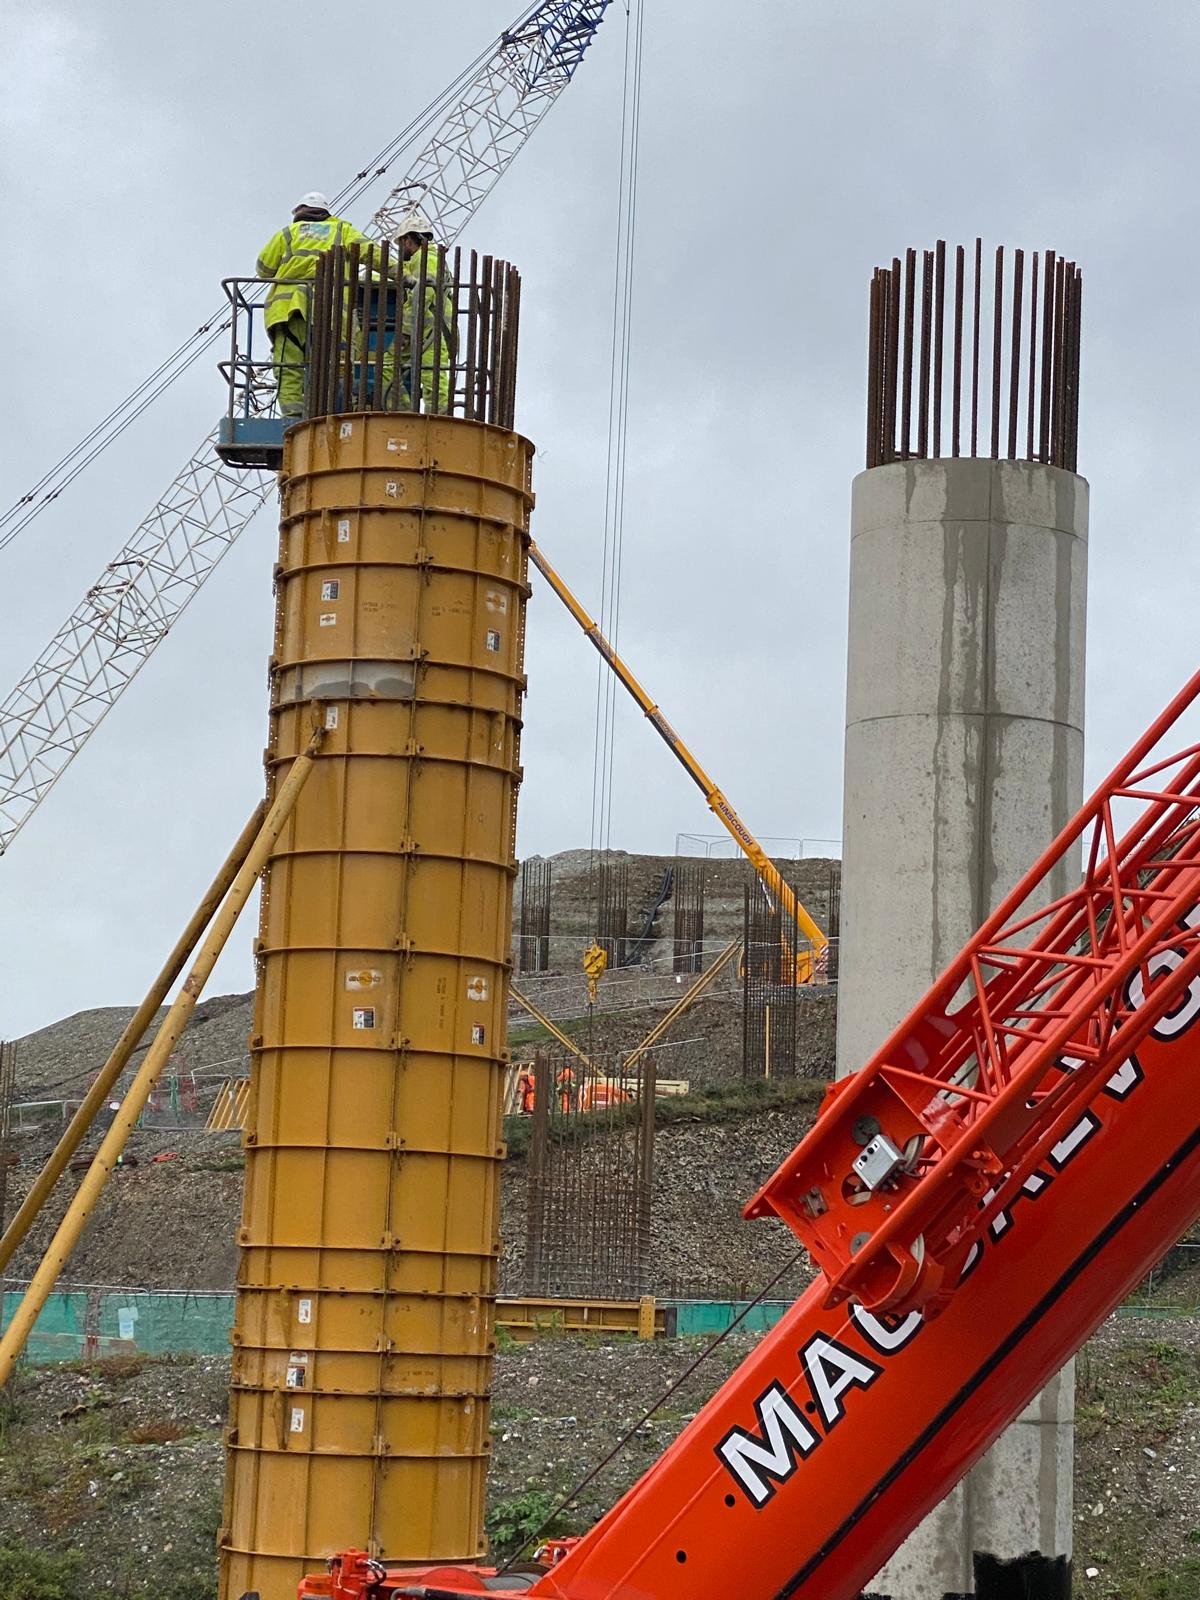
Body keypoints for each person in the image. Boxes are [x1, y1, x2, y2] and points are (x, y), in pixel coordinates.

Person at [256, 191, 369, 418]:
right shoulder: (342, 231)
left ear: (299, 212)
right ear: (325, 212)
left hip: (288, 311)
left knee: (290, 365)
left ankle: (292, 416)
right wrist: (402, 273)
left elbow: (263, 269)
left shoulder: (287, 234)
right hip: (330, 312)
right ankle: (338, 409)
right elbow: (372, 252)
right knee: (336, 364)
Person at [383, 205, 453, 412]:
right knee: (387, 365)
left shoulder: (425, 258)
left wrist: (405, 330)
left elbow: (423, 295)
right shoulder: (427, 259)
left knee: (431, 375)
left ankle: (438, 418)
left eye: (400, 243)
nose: (400, 248)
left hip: (432, 330)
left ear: (408, 240)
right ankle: (404, 411)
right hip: (423, 329)